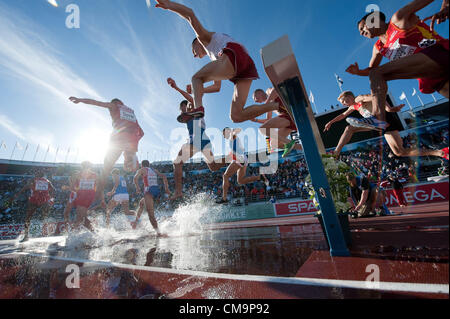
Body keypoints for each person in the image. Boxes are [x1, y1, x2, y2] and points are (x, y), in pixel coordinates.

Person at [154, 0, 280, 123]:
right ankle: (277, 105)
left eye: (193, 51)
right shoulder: (215, 57)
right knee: (236, 116)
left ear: (197, 43)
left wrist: (170, 5)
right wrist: (198, 90)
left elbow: (190, 14)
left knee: (196, 78)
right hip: (244, 68)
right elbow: (216, 87)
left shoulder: (204, 39)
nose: (194, 55)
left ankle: (198, 109)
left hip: (234, 54)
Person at [346, 1, 449, 131]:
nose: (361, 33)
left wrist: (445, 6)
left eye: (363, 28)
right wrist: (358, 72)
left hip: (439, 55)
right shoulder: (379, 47)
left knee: (377, 74)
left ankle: (378, 118)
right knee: (376, 74)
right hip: (432, 76)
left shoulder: (398, 19)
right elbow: (371, 70)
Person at [325, 91, 449, 159]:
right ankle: (439, 153)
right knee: (400, 152)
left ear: (350, 96)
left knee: (349, 127)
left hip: (382, 118)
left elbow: (376, 97)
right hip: (381, 126)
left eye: (344, 101)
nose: (344, 104)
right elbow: (342, 115)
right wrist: (330, 122)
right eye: (342, 103)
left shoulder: (359, 98)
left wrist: (389, 109)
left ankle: (336, 152)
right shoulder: (353, 106)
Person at [68, 97, 144, 203]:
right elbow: (142, 132)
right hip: (132, 138)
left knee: (106, 167)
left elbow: (97, 103)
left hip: (120, 136)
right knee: (127, 151)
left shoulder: (114, 106)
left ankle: (98, 193)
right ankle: (130, 156)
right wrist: (136, 140)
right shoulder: (131, 111)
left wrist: (80, 100)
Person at [167, 77, 226, 200]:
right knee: (213, 167)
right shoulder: (189, 116)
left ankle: (178, 192)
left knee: (177, 163)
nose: (183, 112)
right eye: (182, 111)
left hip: (197, 139)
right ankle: (234, 158)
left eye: (183, 109)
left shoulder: (193, 107)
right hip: (203, 139)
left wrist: (176, 88)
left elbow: (190, 100)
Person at [217, 128, 269, 204]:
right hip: (243, 159)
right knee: (240, 181)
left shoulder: (232, 136)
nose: (223, 136)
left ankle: (224, 198)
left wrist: (233, 132)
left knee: (225, 176)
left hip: (239, 159)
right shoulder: (231, 140)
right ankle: (259, 177)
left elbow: (239, 130)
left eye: (223, 134)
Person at [252, 88, 303, 158]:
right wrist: (256, 120)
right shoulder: (267, 105)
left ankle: (289, 143)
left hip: (289, 114)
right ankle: (301, 147)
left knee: (263, 129)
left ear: (259, 93)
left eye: (255, 98)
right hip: (288, 121)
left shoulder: (268, 92)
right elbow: (268, 119)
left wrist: (265, 105)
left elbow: (275, 90)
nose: (256, 101)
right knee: (273, 144)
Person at [12, 171, 55, 242]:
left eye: (36, 174)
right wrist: (51, 199)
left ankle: (26, 235)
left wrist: (18, 193)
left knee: (28, 217)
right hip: (43, 200)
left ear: (36, 175)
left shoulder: (34, 180)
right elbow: (54, 190)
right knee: (44, 215)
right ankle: (45, 224)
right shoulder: (47, 181)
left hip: (34, 200)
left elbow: (26, 187)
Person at [133, 160, 170, 237]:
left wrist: (137, 188)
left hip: (149, 191)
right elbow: (164, 176)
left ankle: (158, 233)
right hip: (156, 191)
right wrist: (166, 188)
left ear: (142, 165)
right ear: (149, 165)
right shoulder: (154, 170)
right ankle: (136, 221)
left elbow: (135, 178)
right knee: (141, 203)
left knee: (150, 214)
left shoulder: (142, 169)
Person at [71, 161, 99, 232]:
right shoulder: (94, 175)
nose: (85, 168)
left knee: (82, 217)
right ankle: (76, 232)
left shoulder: (80, 175)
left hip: (86, 196)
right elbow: (75, 187)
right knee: (80, 217)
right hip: (83, 196)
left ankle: (93, 232)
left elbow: (74, 187)